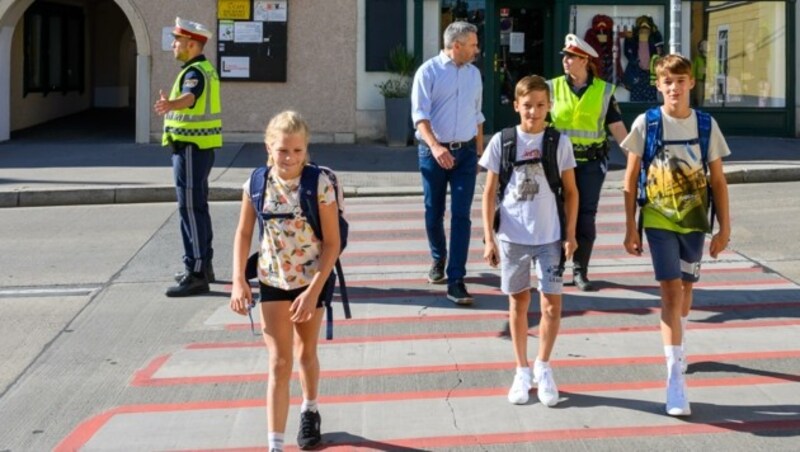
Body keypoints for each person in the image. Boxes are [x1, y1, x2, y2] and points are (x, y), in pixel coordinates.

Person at [620, 54, 731, 416]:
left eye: (680, 81)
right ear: (658, 85)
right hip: (658, 218)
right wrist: (629, 227)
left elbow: (717, 180)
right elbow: (630, 177)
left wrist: (724, 227)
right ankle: (675, 380)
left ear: (691, 84)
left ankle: (678, 337)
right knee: (669, 290)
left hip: (695, 220)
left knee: (685, 287)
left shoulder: (705, 124)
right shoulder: (647, 123)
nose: (674, 88)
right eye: (667, 82)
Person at [229, 111, 340, 451]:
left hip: (312, 281)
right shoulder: (256, 183)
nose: (290, 158)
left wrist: (312, 292)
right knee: (279, 361)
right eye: (282, 151)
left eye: (297, 151)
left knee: (306, 353)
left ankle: (310, 409)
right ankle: (275, 444)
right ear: (268, 147)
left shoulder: (319, 183)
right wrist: (238, 280)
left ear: (306, 149)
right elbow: (244, 231)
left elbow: (333, 243)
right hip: (272, 279)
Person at [480, 75, 578, 407]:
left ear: (549, 106)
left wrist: (571, 234)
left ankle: (544, 366)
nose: (533, 113)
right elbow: (489, 191)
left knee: (552, 305)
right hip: (512, 237)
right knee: (518, 304)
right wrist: (488, 238)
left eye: (540, 106)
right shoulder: (503, 141)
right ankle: (521, 369)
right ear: (516, 106)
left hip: (550, 237)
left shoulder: (558, 142)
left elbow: (572, 192)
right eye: (527, 106)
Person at [411, 21, 485, 305]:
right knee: (434, 211)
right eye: (473, 45)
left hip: (465, 154)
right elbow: (420, 116)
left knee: (462, 215)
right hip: (433, 153)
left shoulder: (474, 74)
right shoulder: (428, 72)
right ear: (457, 46)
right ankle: (438, 258)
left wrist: (479, 152)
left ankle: (457, 279)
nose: (477, 50)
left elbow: (477, 114)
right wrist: (436, 147)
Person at [548, 33, 628, 291]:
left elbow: (616, 127)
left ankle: (580, 271)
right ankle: (556, 267)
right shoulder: (552, 87)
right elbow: (539, 124)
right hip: (559, 165)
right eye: (565, 56)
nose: (566, 61)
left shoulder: (604, 91)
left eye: (571, 57)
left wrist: (635, 161)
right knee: (557, 216)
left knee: (585, 217)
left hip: (590, 165)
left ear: (584, 60)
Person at [154, 17, 222, 297]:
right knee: (198, 208)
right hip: (195, 149)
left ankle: (195, 273)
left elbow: (190, 97)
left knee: (190, 210)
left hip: (192, 148)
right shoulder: (200, 69)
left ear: (192, 44)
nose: (173, 45)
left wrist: (171, 104)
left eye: (178, 41)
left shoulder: (195, 73)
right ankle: (203, 266)